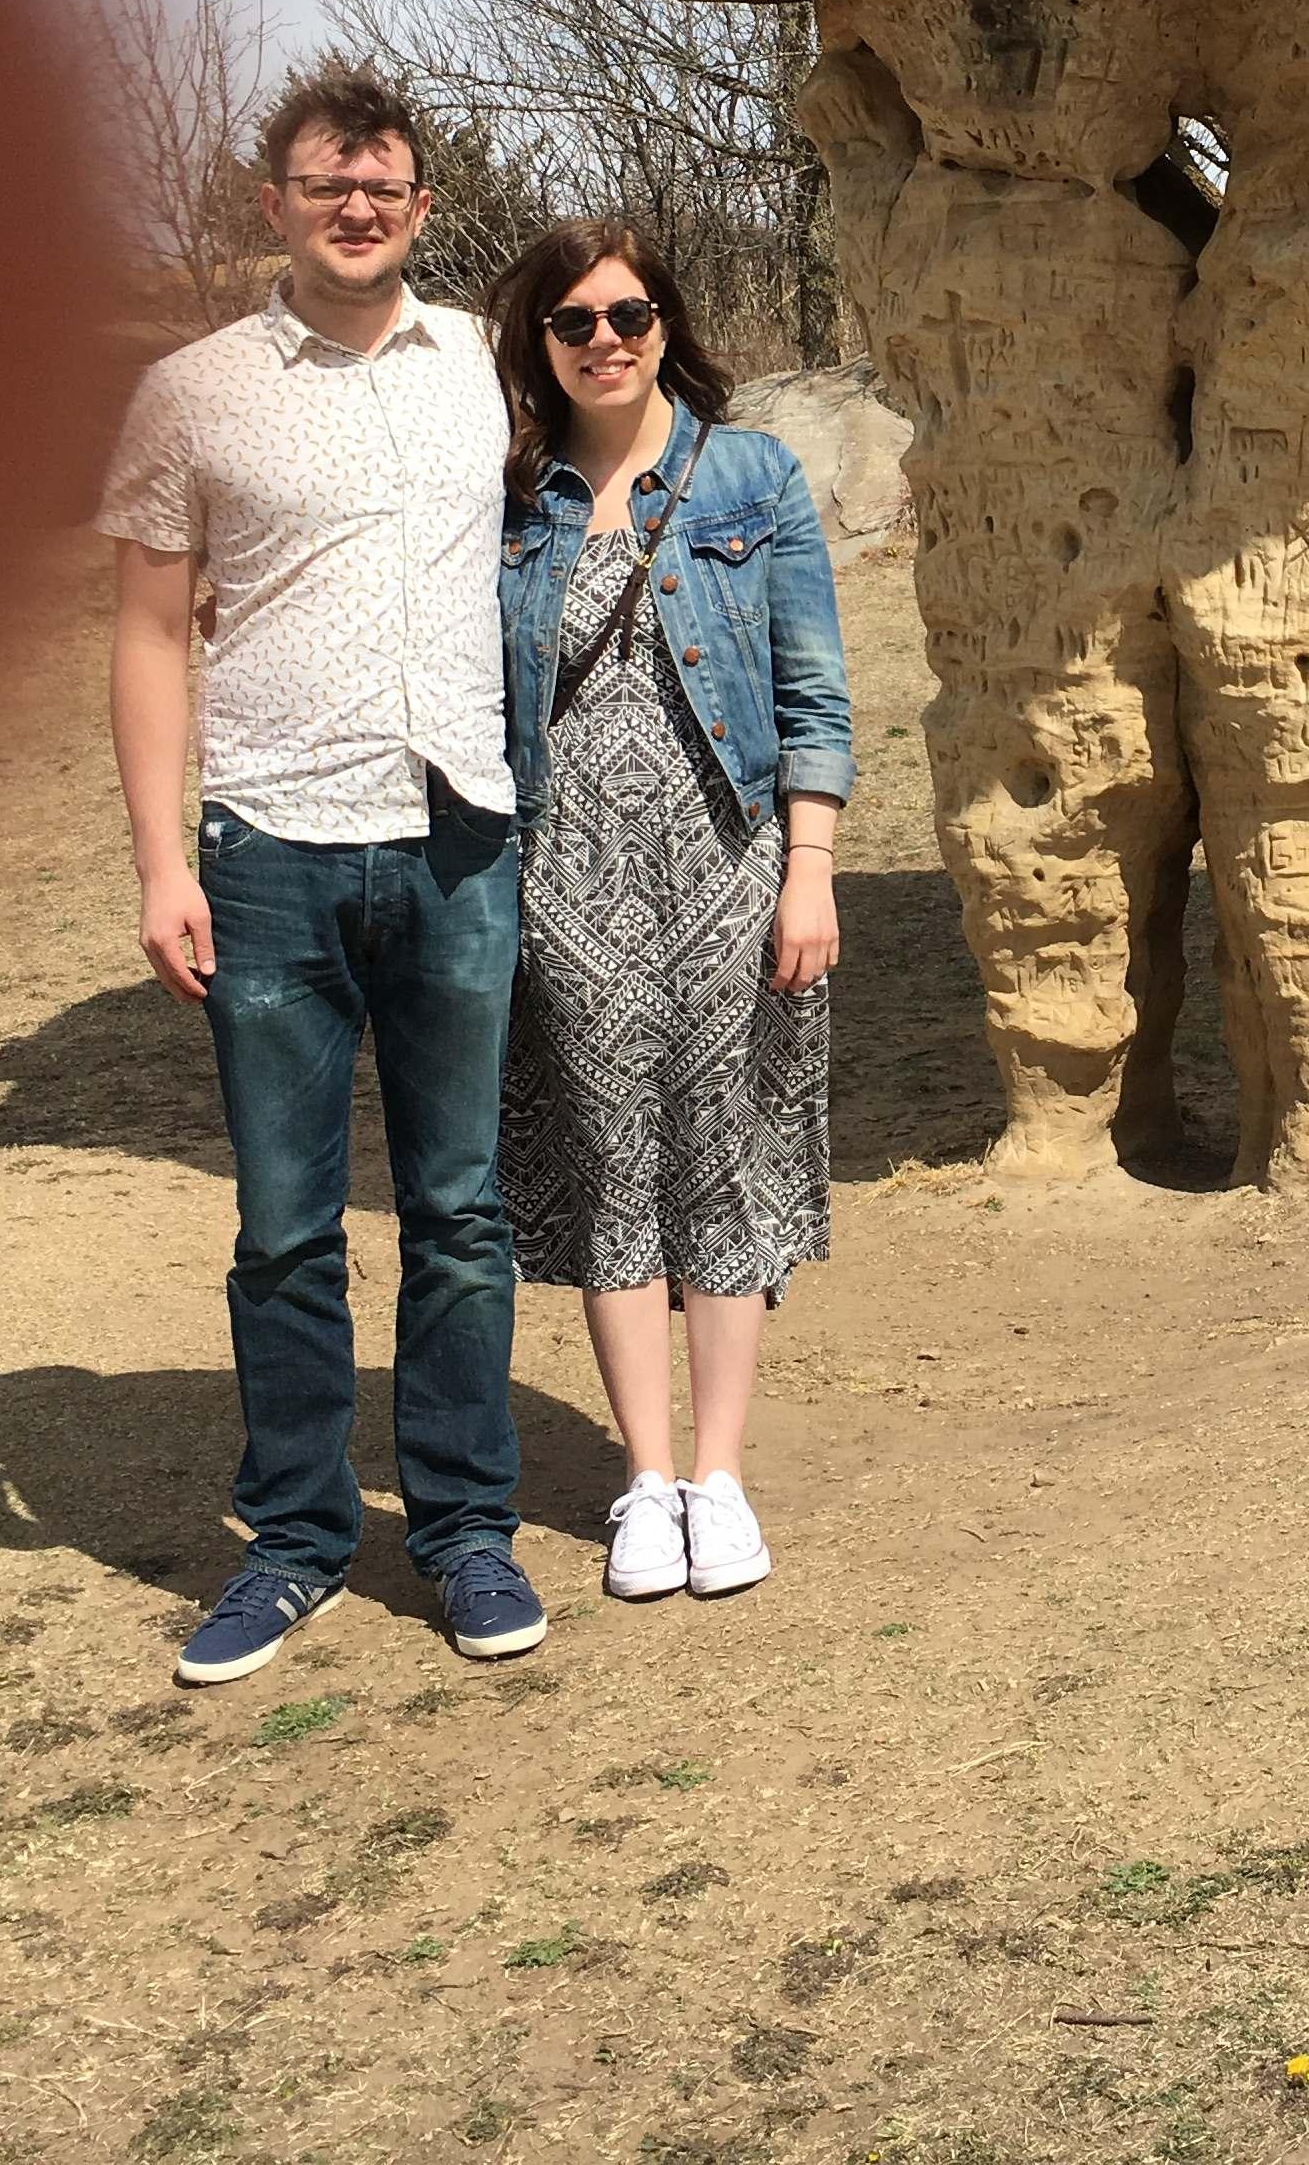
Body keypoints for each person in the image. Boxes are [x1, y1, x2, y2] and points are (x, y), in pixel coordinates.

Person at [99, 64, 547, 1684]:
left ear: (421, 209)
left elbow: (623, 444)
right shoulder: (190, 393)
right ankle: (294, 1541)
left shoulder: (489, 368)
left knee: (458, 1208)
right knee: (287, 1228)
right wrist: (163, 865)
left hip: (457, 835)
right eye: (324, 184)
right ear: (274, 201)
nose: (357, 208)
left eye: (385, 188)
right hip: (272, 847)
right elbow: (151, 632)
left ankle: (463, 1533)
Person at [492, 220, 854, 1603]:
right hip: (563, 876)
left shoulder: (750, 474)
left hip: (727, 866)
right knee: (611, 1167)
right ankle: (644, 1481)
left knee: (721, 1157)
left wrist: (809, 866)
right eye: (573, 321)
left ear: (666, 324)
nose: (605, 341)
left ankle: (720, 1476)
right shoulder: (510, 498)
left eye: (629, 315)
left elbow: (817, 691)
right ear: (539, 343)